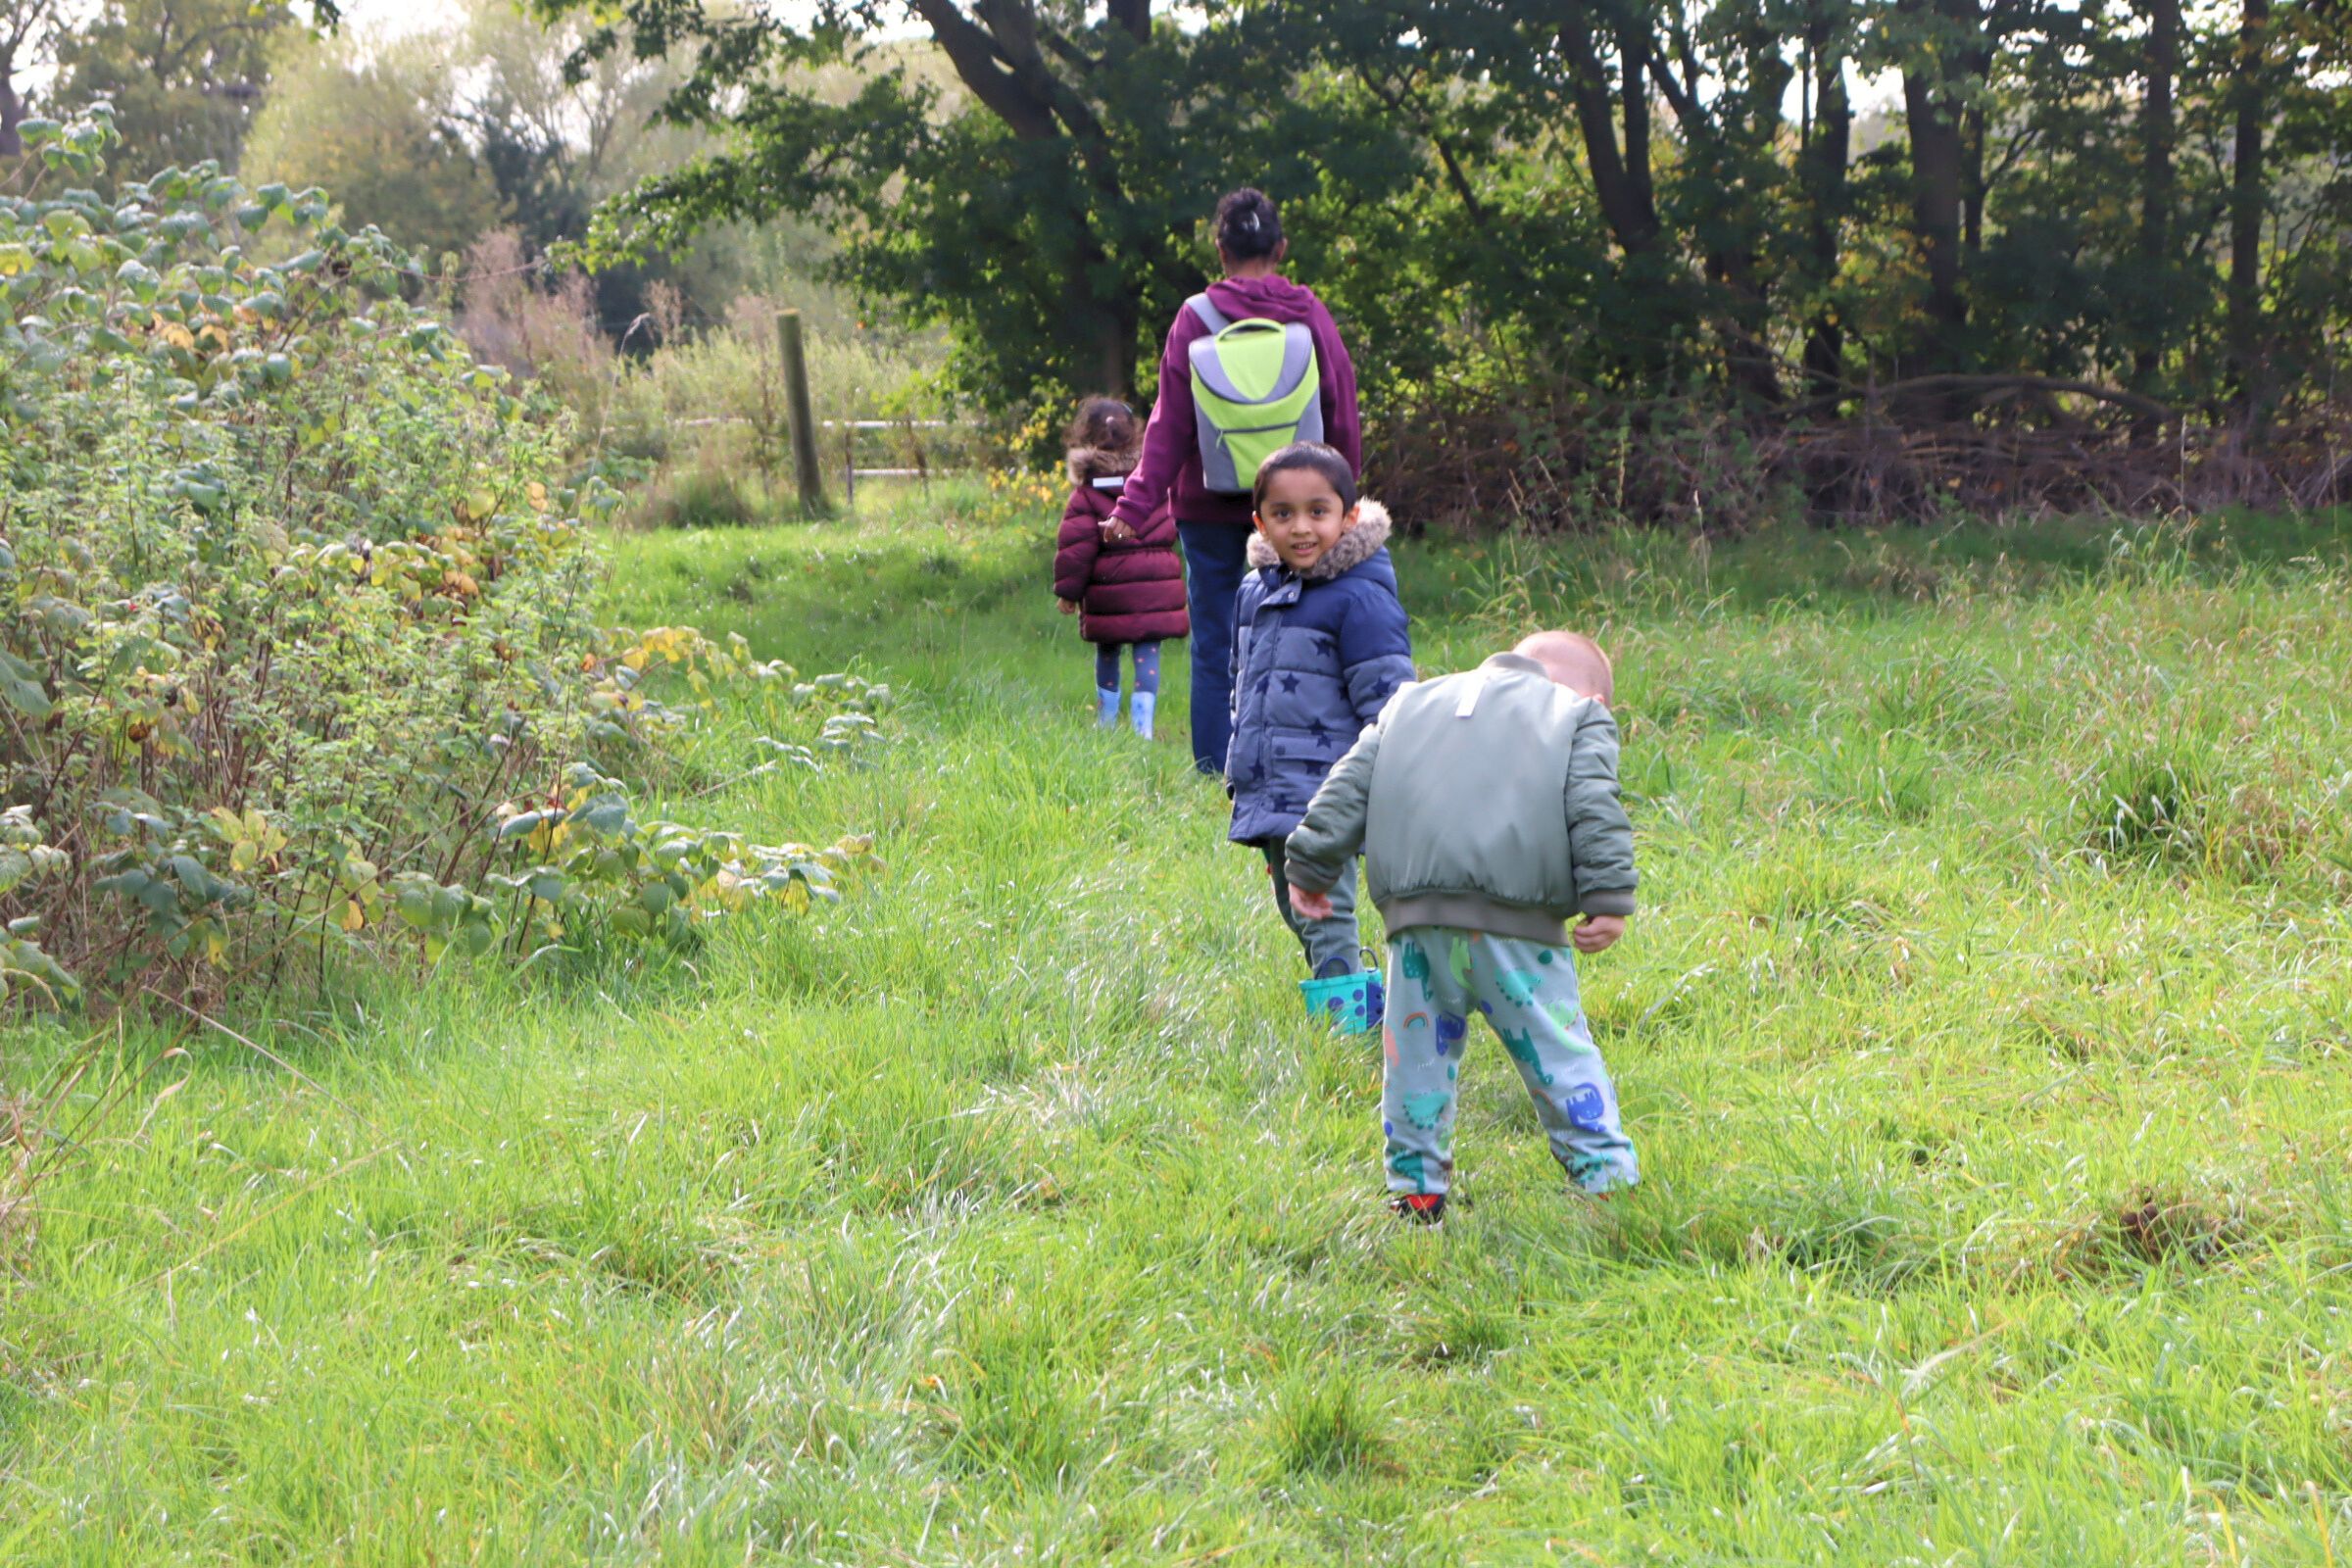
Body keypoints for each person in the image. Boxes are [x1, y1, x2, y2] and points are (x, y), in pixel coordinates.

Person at [1284, 631, 1640, 1223]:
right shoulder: (1578, 717)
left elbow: (1346, 787)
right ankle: (1606, 1179)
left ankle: (1417, 1192)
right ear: (1594, 697)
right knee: (1558, 1054)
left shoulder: (1409, 704)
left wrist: (1312, 867)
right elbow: (1594, 804)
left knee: (1416, 1060)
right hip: (1518, 929)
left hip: (1417, 923)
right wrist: (1608, 897)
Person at [1109, 187, 1362, 775]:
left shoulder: (1195, 317)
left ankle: (1215, 769)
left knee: (1216, 643)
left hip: (1209, 506)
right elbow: (1341, 407)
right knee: (1304, 633)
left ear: (1220, 250)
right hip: (1299, 510)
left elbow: (1168, 424)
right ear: (1281, 248)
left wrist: (1134, 504)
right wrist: (1343, 502)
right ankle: (1298, 758)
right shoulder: (1309, 313)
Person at [1228, 442, 1413, 986]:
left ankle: (1347, 1017)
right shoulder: (1252, 592)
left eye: (1318, 511)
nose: (1301, 527)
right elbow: (1242, 687)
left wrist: (1384, 787)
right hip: (1273, 784)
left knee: (1322, 911)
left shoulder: (1359, 599)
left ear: (1348, 516)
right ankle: (1356, 993)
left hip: (1328, 790)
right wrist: (1247, 787)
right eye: (1283, 514)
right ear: (1261, 523)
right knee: (1296, 910)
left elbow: (1391, 704)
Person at [1053, 396, 1189, 737]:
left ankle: (1107, 722)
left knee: (1109, 651)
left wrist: (1068, 593)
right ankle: (1144, 727)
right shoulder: (1155, 484)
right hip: (1155, 587)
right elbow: (1175, 527)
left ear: (1085, 437)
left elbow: (1076, 550)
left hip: (1108, 590)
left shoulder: (1085, 494)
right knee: (1147, 652)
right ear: (1135, 434)